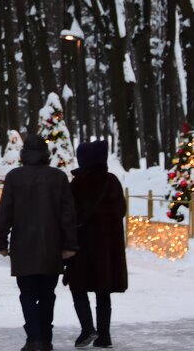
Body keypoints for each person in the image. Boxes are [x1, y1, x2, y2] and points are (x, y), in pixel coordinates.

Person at [0, 133, 79, 351]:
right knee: (48, 294)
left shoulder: (14, 177)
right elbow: (68, 214)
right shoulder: (58, 177)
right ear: (46, 154)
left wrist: (1, 241)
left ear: (24, 154)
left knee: (27, 294)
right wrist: (70, 244)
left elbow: (5, 212)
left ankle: (33, 338)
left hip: (23, 246)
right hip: (52, 245)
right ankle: (46, 338)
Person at [64, 140, 126, 349]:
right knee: (103, 291)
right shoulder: (112, 181)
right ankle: (104, 336)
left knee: (77, 288)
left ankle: (87, 328)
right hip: (107, 249)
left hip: (81, 248)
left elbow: (69, 215)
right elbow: (120, 210)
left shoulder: (77, 184)